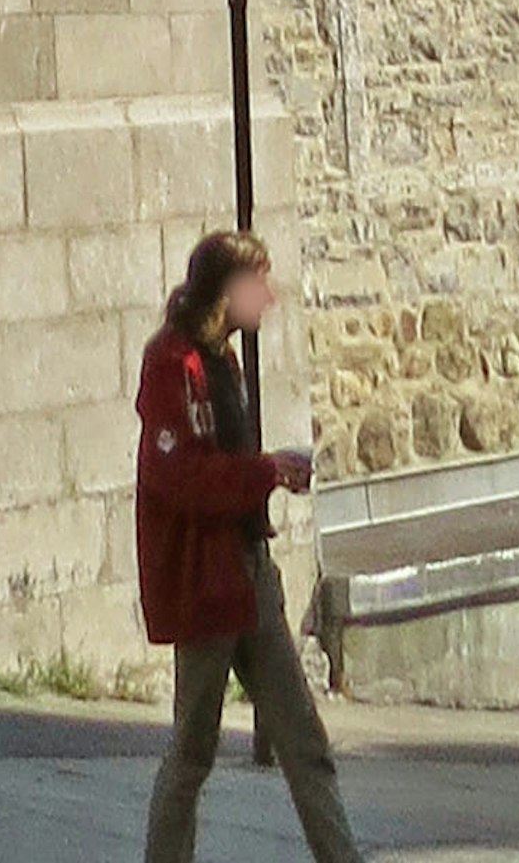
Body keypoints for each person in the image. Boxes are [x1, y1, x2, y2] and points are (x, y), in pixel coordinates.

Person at [131, 226, 362, 863]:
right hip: (204, 581)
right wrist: (265, 472)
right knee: (192, 751)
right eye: (257, 283)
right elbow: (180, 478)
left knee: (303, 739)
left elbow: (224, 461)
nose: (270, 296)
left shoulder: (223, 360)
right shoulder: (170, 364)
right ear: (226, 291)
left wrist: (268, 469)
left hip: (248, 572)